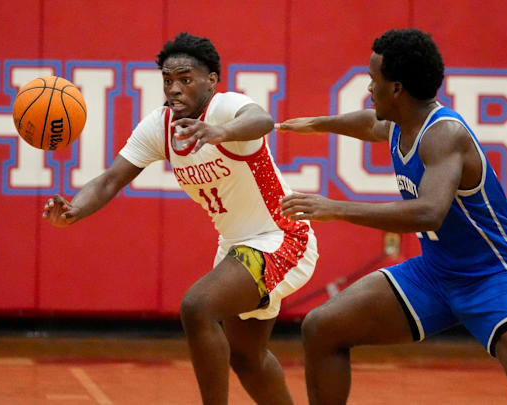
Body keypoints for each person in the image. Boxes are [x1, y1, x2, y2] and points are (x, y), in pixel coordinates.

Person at [277, 28, 507, 405]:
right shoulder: (400, 124)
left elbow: (429, 213)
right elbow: (370, 124)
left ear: (397, 89)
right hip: (436, 274)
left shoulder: (444, 134)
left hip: (494, 275)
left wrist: (334, 208)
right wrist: (319, 123)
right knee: (322, 327)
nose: (370, 89)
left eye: (374, 81)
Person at [42, 32, 318, 405]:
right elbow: (110, 180)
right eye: (168, 81)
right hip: (235, 247)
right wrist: (74, 210)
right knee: (247, 357)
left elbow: (262, 119)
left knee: (197, 306)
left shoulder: (225, 108)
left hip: (281, 236)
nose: (174, 89)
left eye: (185, 80)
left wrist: (219, 131)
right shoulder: (160, 126)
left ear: (211, 80)